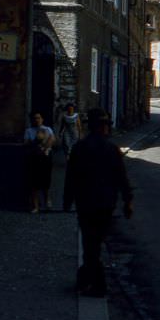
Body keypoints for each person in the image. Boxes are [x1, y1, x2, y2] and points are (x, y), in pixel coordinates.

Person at [63, 108, 134, 297]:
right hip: (105, 204)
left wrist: (67, 201)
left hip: (86, 203)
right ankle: (91, 281)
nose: (107, 129)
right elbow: (122, 178)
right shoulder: (112, 149)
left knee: (90, 242)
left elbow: (71, 177)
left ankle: (93, 282)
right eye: (106, 126)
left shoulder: (79, 147)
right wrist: (127, 201)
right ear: (102, 128)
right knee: (96, 241)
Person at [24, 112, 56, 213]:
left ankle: (47, 201)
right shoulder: (29, 131)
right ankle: (36, 206)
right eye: (35, 118)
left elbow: (53, 140)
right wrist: (36, 141)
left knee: (46, 181)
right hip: (34, 159)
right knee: (34, 183)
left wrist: (45, 147)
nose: (36, 120)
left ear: (42, 119)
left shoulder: (47, 129)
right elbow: (26, 143)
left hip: (45, 158)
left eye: (38, 118)